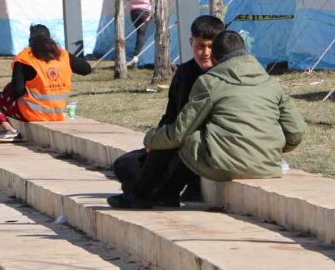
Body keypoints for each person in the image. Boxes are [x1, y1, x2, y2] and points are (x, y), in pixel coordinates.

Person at [108, 30, 306, 209]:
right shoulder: (272, 83)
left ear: (217, 57)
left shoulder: (210, 82)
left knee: (182, 136)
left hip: (225, 165)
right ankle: (166, 194)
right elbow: (296, 132)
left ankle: (142, 195)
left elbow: (179, 132)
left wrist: (150, 139)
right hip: (267, 166)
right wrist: (271, 147)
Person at [108, 15, 225, 209]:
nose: (205, 53)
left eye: (211, 47)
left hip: (200, 145)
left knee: (175, 150)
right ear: (191, 43)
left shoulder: (223, 74)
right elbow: (171, 115)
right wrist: (155, 142)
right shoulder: (185, 73)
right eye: (200, 46)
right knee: (125, 165)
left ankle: (152, 192)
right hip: (175, 141)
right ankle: (157, 189)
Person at [0, 24, 93, 143]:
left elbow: (17, 91)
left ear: (30, 40)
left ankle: (9, 131)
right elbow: (86, 69)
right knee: (7, 93)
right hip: (57, 113)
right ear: (50, 39)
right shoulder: (62, 54)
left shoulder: (25, 58)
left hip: (32, 113)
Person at [124, 0, 155, 67]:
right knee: (141, 34)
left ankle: (136, 58)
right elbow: (154, 0)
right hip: (145, 11)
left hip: (133, 12)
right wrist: (151, 14)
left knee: (139, 33)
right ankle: (136, 57)